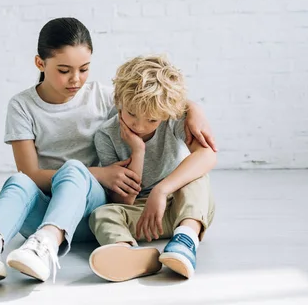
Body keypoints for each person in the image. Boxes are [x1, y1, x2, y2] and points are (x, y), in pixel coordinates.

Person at [0, 18, 216, 284]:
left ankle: (47, 243)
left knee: (74, 171)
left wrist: (193, 109)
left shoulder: (102, 97)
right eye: (64, 70)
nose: (75, 79)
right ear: (40, 63)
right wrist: (97, 173)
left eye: (84, 69)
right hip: (44, 210)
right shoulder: (22, 105)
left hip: (90, 211)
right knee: (18, 180)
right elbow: (30, 173)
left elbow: (150, 98)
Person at [88, 55, 216, 282]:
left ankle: (184, 241)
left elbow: (207, 155)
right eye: (131, 114)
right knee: (101, 214)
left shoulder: (173, 119)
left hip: (185, 208)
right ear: (119, 101)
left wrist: (162, 190)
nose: (139, 126)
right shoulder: (106, 135)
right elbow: (122, 200)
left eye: (151, 120)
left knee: (196, 176)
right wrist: (138, 152)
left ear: (166, 115)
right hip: (146, 218)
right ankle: (126, 252)